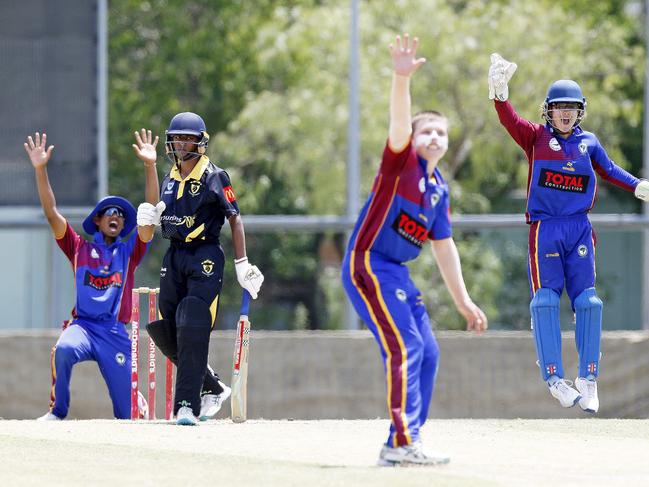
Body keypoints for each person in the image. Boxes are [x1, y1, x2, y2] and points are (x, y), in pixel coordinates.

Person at [341, 34, 488, 467]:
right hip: (369, 264)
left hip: (397, 274)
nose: (435, 137)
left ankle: (407, 439)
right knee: (404, 348)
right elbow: (400, 124)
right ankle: (400, 444)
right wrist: (401, 79)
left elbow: (444, 249)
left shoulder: (439, 190)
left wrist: (463, 301)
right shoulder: (399, 164)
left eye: (442, 132)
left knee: (428, 350)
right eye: (428, 130)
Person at [488, 54, 649, 413]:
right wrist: (499, 95)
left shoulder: (588, 143)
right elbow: (509, 120)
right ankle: (555, 380)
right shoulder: (536, 138)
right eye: (559, 107)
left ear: (580, 112)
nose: (565, 113)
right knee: (545, 301)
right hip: (545, 229)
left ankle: (588, 378)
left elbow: (608, 170)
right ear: (548, 111)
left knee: (588, 303)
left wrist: (637, 185)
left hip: (579, 228)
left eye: (571, 108)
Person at [136, 112, 264, 426]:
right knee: (165, 326)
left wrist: (242, 262)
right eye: (177, 137)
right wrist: (147, 219)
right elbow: (154, 226)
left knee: (192, 318)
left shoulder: (214, 176)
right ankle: (212, 386)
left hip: (205, 254)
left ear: (201, 142)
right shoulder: (169, 178)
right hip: (174, 255)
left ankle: (186, 406)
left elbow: (234, 217)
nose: (181, 143)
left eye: (188, 138)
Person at [26, 130, 159, 420]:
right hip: (84, 327)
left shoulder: (129, 252)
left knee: (127, 416)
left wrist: (150, 166)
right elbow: (52, 214)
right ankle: (57, 412)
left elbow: (149, 216)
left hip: (115, 332)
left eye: (122, 214)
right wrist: (41, 170)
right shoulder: (78, 248)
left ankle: (134, 402)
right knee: (63, 349)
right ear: (97, 220)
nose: (116, 216)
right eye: (109, 211)